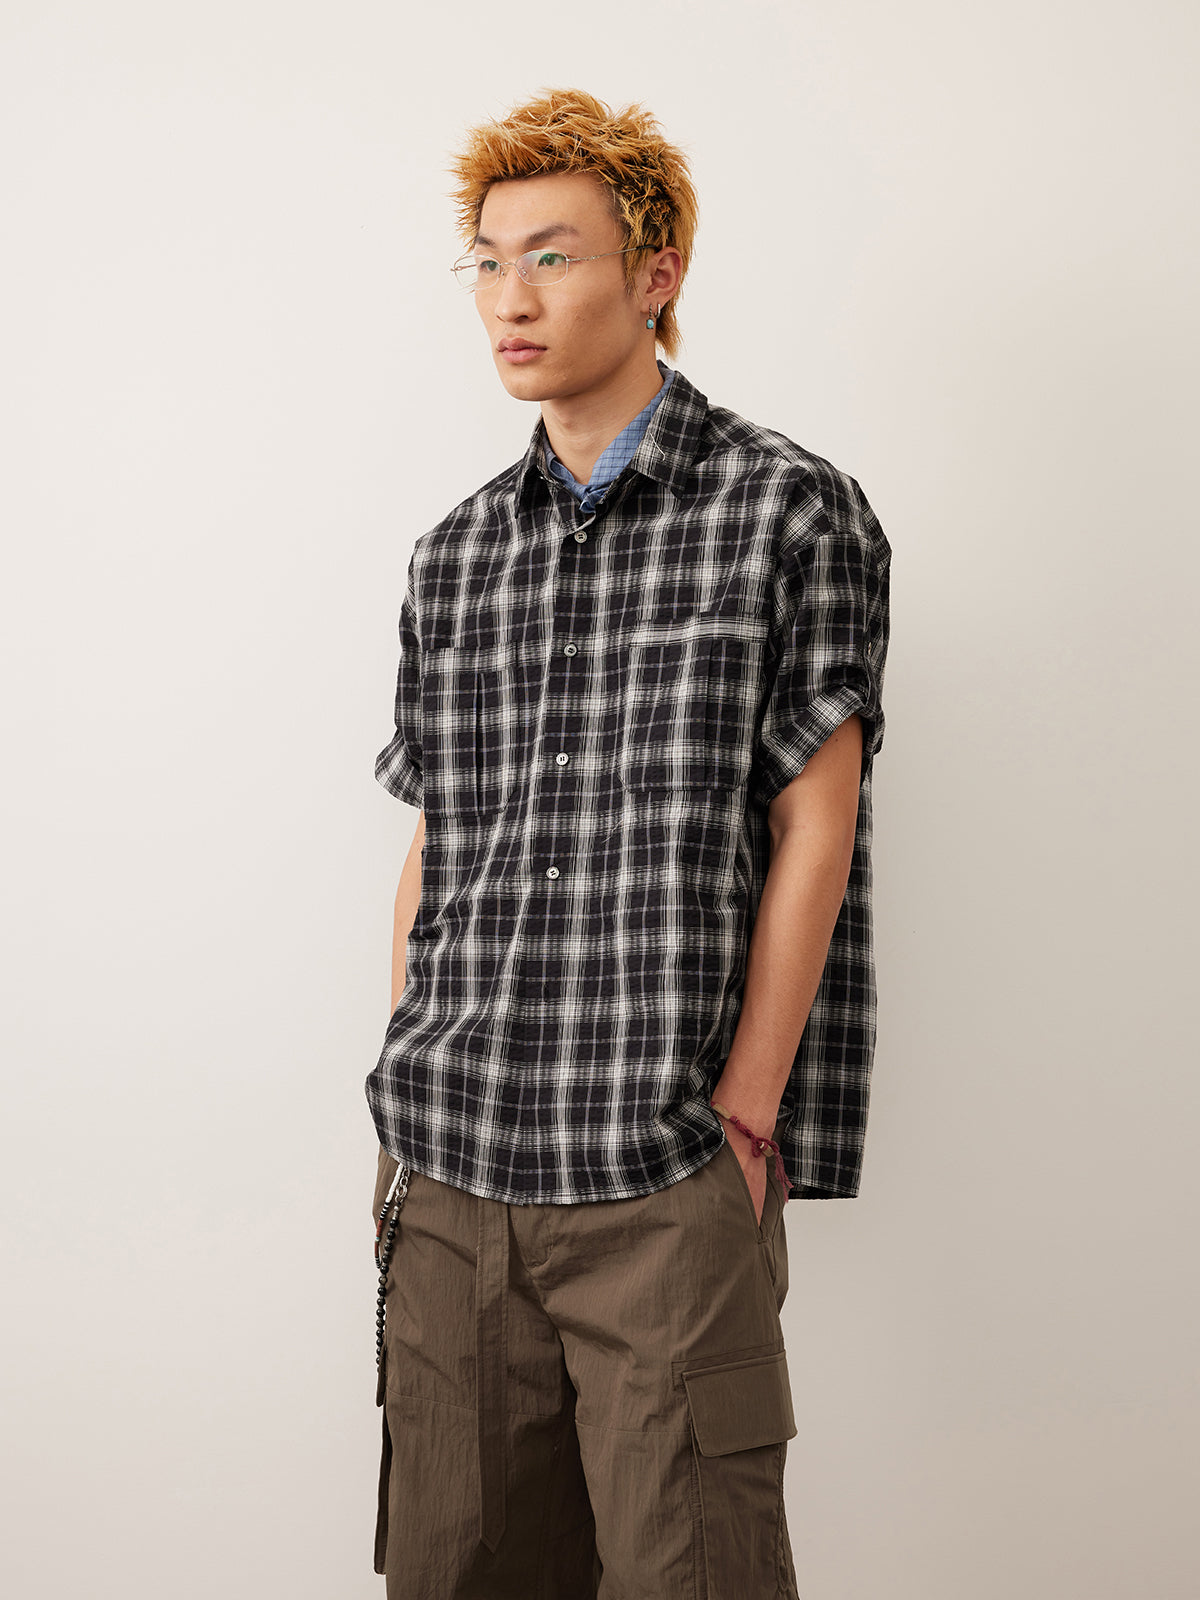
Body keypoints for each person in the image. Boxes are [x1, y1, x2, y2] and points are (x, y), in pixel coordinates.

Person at [366, 87, 890, 1600]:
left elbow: (816, 821)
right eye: (486, 261)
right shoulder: (457, 554)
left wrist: (744, 1116)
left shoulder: (788, 511)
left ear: (656, 273)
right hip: (451, 1178)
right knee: (454, 1572)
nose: (509, 299)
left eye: (552, 256)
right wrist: (404, 1084)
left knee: (690, 1573)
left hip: (662, 1170)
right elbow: (438, 843)